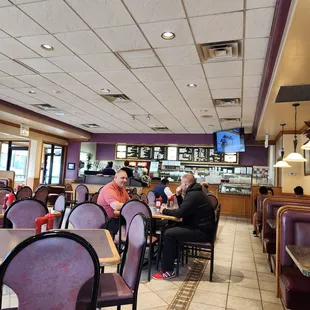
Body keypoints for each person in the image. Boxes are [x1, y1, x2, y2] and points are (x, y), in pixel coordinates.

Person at [152, 174, 215, 280]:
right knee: (170, 228)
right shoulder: (196, 193)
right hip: (202, 229)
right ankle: (174, 257)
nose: (180, 185)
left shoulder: (193, 195)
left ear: (185, 183)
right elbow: (185, 209)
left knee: (169, 234)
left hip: (201, 233)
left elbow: (179, 213)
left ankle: (168, 270)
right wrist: (178, 195)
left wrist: (164, 210)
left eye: (181, 183)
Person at [97, 169, 130, 236]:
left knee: (135, 221)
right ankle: (116, 242)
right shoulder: (109, 188)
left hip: (118, 218)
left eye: (126, 178)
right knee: (131, 224)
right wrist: (130, 205)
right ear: (115, 178)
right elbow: (116, 206)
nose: (125, 180)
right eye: (122, 178)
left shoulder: (122, 189)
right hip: (107, 222)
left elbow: (130, 201)